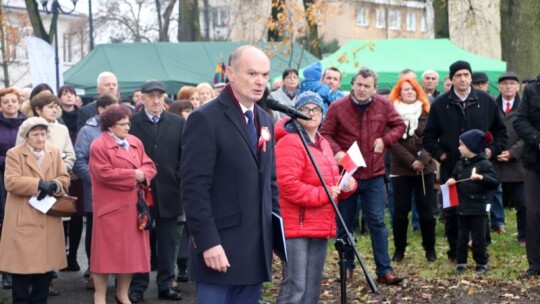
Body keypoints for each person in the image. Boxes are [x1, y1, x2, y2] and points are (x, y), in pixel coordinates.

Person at [181, 45, 280, 303]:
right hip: (219, 249)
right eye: (252, 73)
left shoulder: (265, 120)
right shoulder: (205, 119)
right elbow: (194, 190)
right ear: (230, 73)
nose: (260, 82)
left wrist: (275, 235)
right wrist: (208, 242)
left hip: (255, 250)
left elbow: (270, 183)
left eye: (265, 75)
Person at [320, 67, 405, 284]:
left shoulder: (384, 105)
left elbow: (399, 125)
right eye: (358, 84)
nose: (362, 89)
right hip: (347, 174)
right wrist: (337, 151)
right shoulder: (338, 107)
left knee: (377, 221)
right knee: (345, 223)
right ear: (352, 85)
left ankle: (384, 270)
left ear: (374, 89)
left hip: (374, 173)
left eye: (367, 86)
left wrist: (385, 141)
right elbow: (325, 133)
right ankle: (346, 267)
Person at [274, 91, 356, 303]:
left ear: (323, 113)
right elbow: (287, 186)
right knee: (295, 286)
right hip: (296, 226)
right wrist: (324, 193)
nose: (311, 113)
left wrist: (346, 184)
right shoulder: (289, 142)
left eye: (316, 109)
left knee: (312, 287)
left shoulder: (323, 143)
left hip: (319, 224)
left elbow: (329, 180)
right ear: (295, 114)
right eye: (304, 109)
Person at [422, 60, 507, 263]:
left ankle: (480, 253)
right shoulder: (441, 103)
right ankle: (454, 254)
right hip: (452, 166)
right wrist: (442, 155)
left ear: (470, 77)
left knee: (479, 210)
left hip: (480, 167)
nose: (462, 79)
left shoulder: (486, 100)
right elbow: (428, 137)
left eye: (466, 75)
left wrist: (490, 151)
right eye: (458, 75)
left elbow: (501, 132)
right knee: (451, 211)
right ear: (451, 79)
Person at [88, 106, 157, 304]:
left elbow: (150, 165)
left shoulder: (135, 142)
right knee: (105, 257)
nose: (128, 127)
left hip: (134, 208)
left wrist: (143, 174)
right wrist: (133, 175)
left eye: (128, 123)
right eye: (123, 124)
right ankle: (99, 296)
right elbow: (102, 173)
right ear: (110, 126)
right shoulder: (99, 145)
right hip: (110, 210)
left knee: (128, 256)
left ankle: (122, 294)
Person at [0, 117, 70, 303]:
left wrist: (55, 184)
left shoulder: (53, 151)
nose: (40, 138)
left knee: (45, 270)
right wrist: (39, 184)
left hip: (47, 215)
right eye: (35, 134)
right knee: (20, 269)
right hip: (23, 215)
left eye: (43, 134)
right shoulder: (15, 153)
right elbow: (11, 181)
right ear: (26, 136)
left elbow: (64, 177)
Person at [128, 80, 185, 302]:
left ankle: (165, 284)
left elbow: (185, 154)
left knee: (168, 242)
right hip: (140, 192)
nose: (156, 100)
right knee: (140, 241)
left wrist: (178, 176)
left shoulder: (178, 122)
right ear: (142, 98)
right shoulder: (131, 123)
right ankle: (138, 286)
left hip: (170, 190)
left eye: (159, 96)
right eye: (151, 96)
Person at [72, 94, 120, 290]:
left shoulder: (121, 128)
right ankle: (94, 270)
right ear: (100, 110)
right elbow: (79, 160)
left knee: (118, 235)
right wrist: (96, 179)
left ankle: (119, 272)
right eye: (112, 109)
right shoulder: (88, 130)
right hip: (96, 193)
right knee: (95, 234)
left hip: (120, 193)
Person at [388, 78, 437, 262]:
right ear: (399, 93)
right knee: (400, 211)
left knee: (426, 210)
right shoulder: (391, 113)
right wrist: (411, 162)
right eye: (405, 89)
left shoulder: (427, 112)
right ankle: (399, 250)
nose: (409, 92)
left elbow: (433, 137)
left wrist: (422, 159)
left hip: (425, 168)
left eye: (413, 90)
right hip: (401, 168)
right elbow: (391, 141)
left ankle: (430, 249)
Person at [447, 129, 499, 275]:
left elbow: (495, 182)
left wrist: (482, 178)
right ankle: (461, 262)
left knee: (479, 238)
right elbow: (455, 177)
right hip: (462, 207)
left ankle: (481, 262)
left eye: (461, 145)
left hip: (478, 208)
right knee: (461, 237)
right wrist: (452, 181)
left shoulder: (484, 164)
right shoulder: (460, 164)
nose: (458, 148)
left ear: (472, 147)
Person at [491, 72, 525, 240]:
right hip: (494, 159)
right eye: (505, 84)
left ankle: (524, 236)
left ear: (518, 87)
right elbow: (486, 131)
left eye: (512, 83)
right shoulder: (491, 105)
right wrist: (494, 150)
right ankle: (493, 227)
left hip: (518, 161)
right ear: (500, 87)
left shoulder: (525, 106)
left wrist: (513, 152)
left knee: (523, 202)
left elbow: (528, 134)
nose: (509, 87)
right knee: (488, 198)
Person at [513, 74, 540, 277]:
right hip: (535, 162)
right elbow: (520, 121)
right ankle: (535, 265)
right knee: (534, 213)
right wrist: (537, 139)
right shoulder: (532, 89)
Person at [0, 87, 26, 290]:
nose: (10, 105)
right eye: (6, 102)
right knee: (4, 223)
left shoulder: (27, 125)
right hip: (1, 176)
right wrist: (8, 159)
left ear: (19, 103)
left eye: (13, 101)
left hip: (24, 177)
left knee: (23, 223)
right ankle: (6, 271)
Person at [58, 84, 84, 272]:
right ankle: (61, 255)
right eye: (64, 93)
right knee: (60, 213)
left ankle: (73, 256)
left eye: (71, 93)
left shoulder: (82, 116)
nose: (68, 96)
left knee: (76, 214)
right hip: (60, 172)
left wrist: (77, 169)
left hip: (78, 174)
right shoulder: (57, 119)